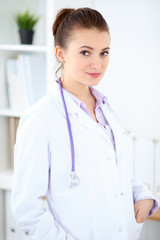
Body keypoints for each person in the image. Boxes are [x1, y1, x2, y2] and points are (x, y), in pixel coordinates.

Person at [11, 7, 158, 240]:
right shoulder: (39, 120)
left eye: (104, 52)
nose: (97, 64)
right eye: (86, 52)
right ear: (61, 53)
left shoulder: (107, 109)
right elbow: (27, 210)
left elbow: (113, 172)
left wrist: (143, 194)